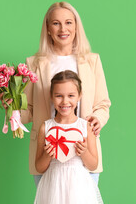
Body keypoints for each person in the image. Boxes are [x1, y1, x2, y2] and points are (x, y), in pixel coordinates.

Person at [6, 1, 110, 185]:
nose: (63, 29)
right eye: (56, 23)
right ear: (47, 28)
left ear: (76, 26)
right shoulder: (34, 64)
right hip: (47, 155)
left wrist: (97, 119)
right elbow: (29, 110)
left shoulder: (92, 61)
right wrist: (10, 107)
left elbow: (102, 103)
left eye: (69, 22)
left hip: (84, 153)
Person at [34, 70, 103, 204]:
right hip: (53, 184)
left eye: (71, 95)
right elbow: (39, 167)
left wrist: (84, 152)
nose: (65, 101)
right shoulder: (46, 128)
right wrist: (47, 155)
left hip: (79, 186)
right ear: (51, 96)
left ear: (79, 96)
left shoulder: (85, 127)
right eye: (59, 95)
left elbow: (93, 165)